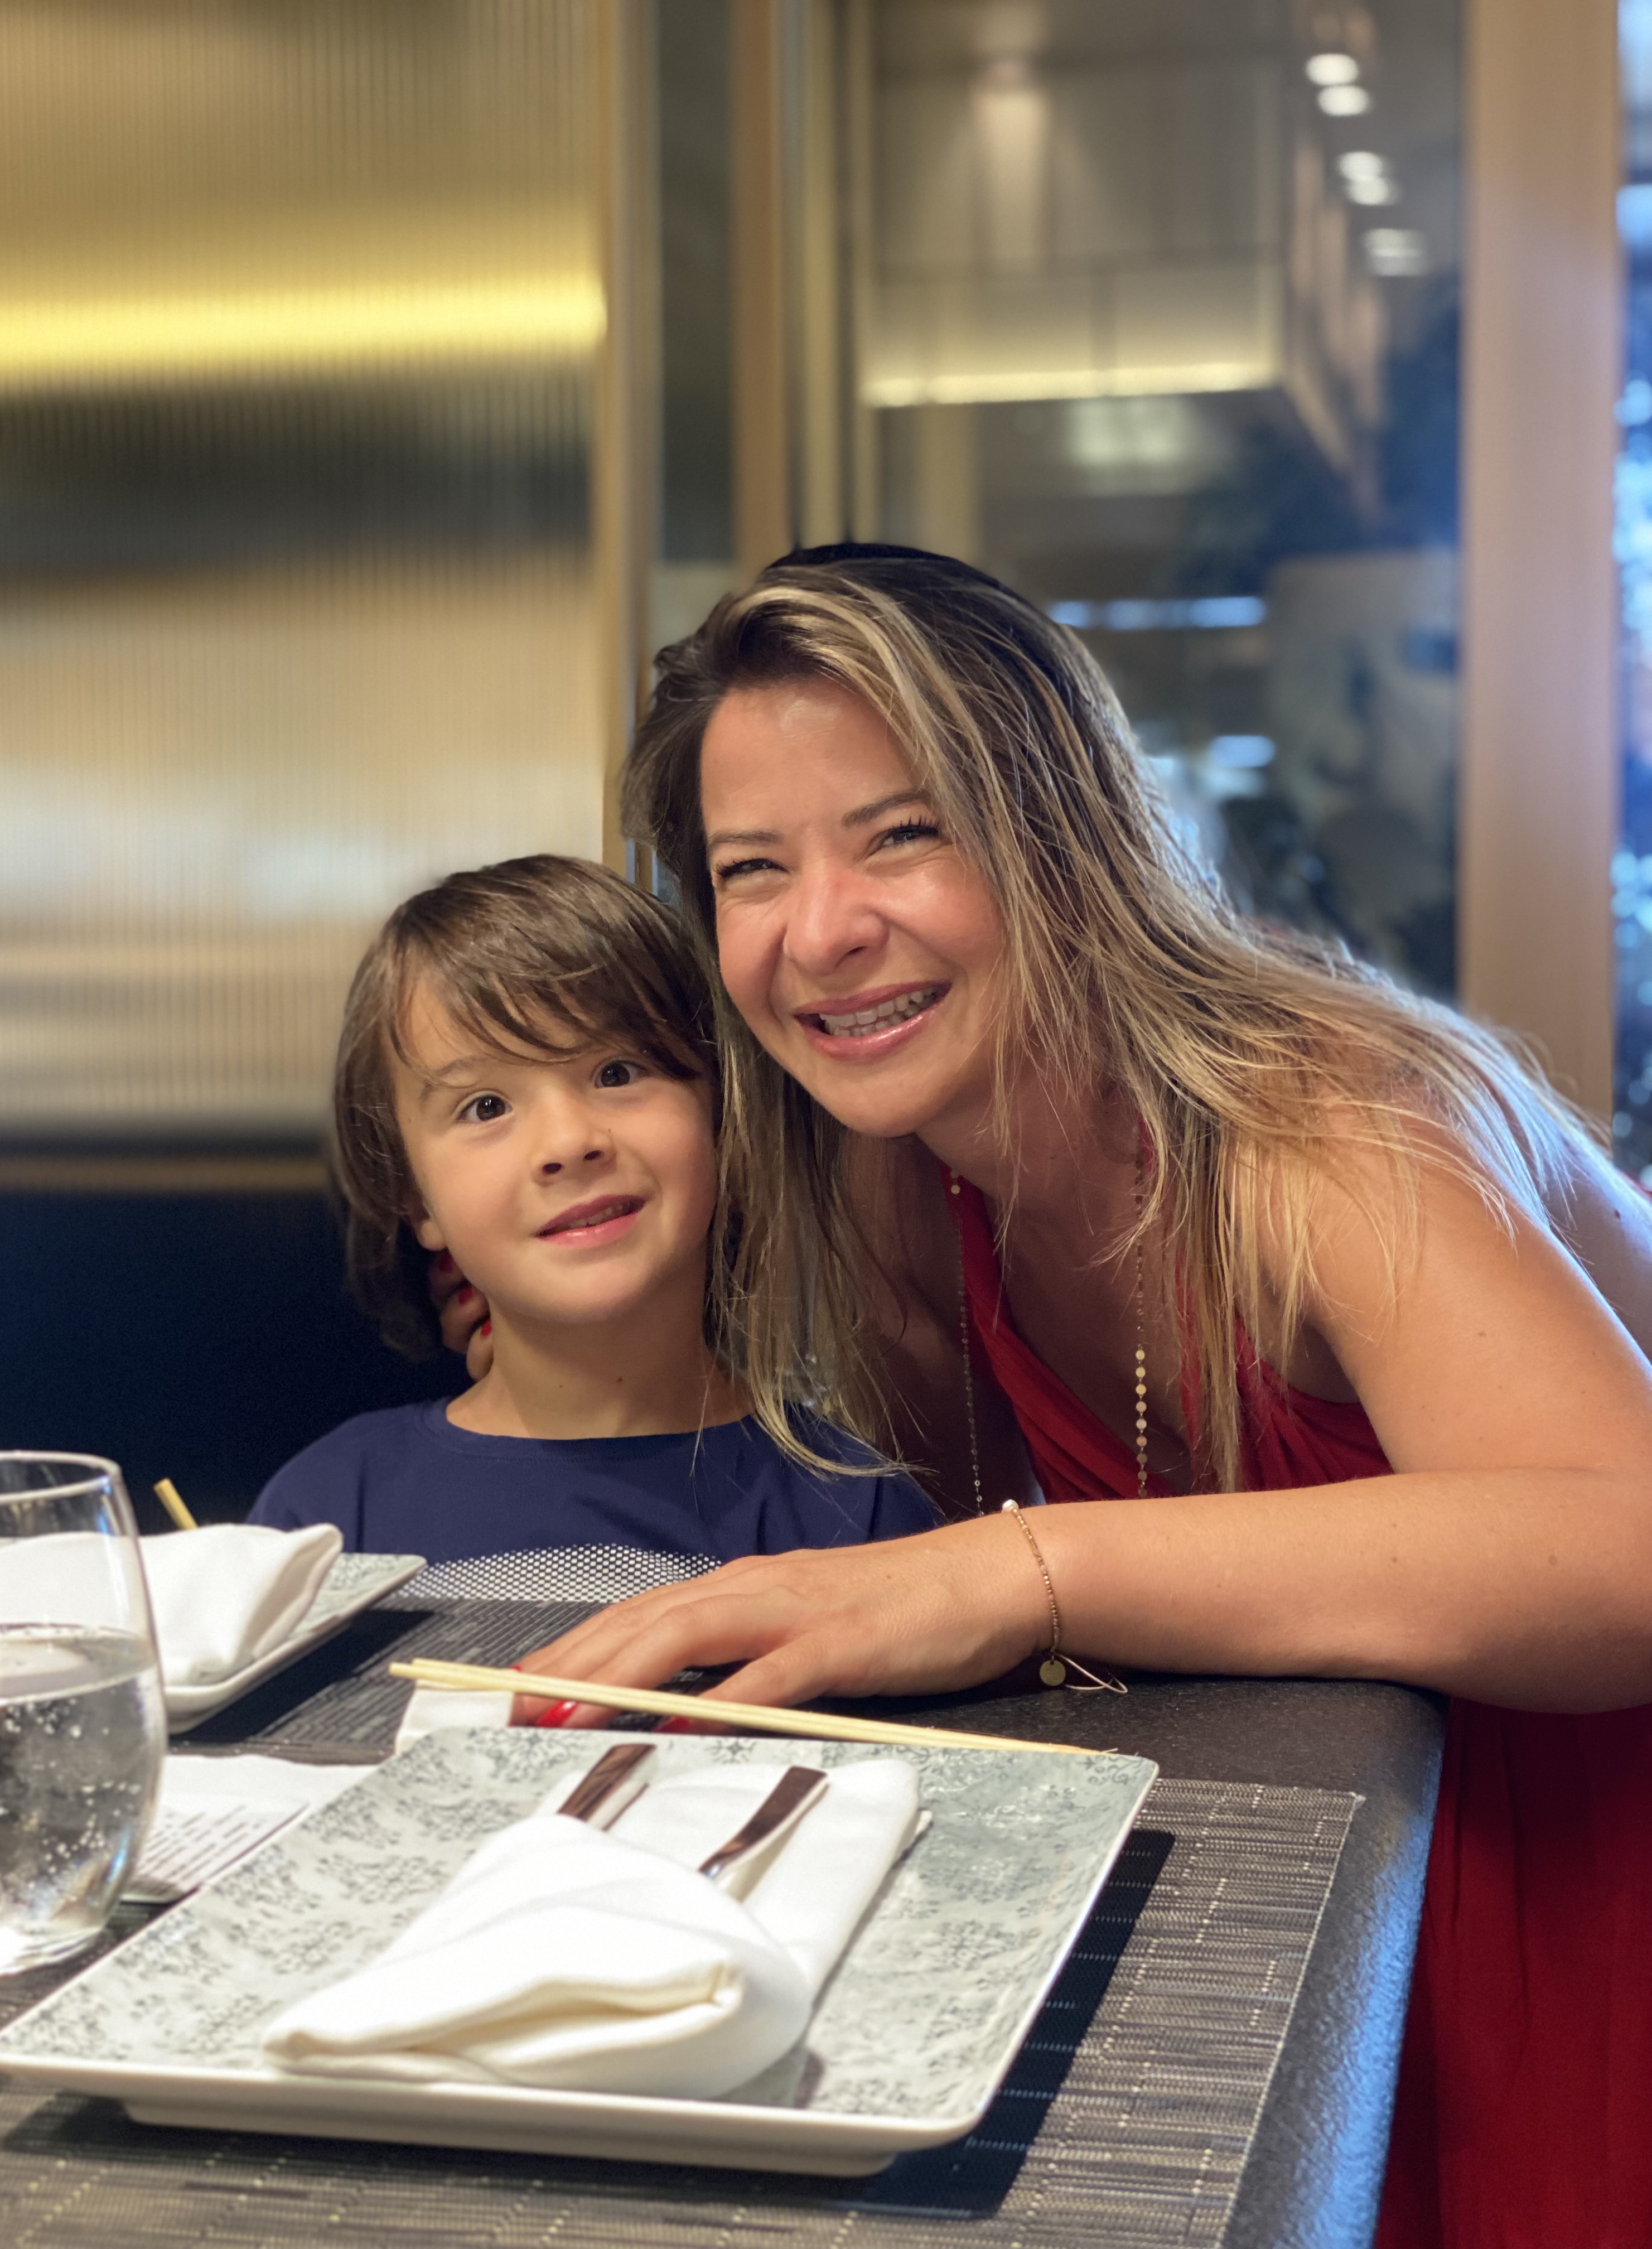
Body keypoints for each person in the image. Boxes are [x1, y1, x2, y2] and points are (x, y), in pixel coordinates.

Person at [441, 548, 1652, 2249]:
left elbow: (1626, 1550)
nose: (820, 932)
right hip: (1343, 1865)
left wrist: (1025, 1570)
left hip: (1592, 1866)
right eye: (751, 870)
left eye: (902, 835)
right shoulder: (900, 1177)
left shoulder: (1328, 1122)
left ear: (1065, 828)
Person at [251, 852, 938, 1590]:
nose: (568, 1142)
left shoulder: (858, 1518)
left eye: (617, 1073)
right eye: (486, 1107)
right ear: (416, 1202)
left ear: (721, 1116)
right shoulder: (326, 1519)